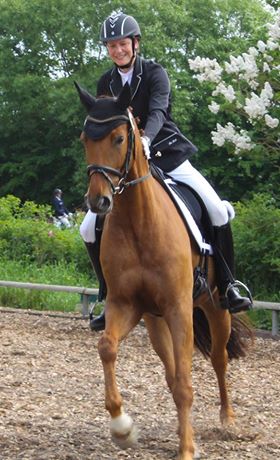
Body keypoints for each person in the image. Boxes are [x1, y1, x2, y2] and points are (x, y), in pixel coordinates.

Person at [80, 11, 252, 331]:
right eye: (111, 45)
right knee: (88, 228)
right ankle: (108, 294)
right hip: (128, 169)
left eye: (122, 44)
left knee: (218, 210)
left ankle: (228, 285)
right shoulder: (106, 82)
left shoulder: (156, 74)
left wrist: (145, 139)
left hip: (167, 155)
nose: (117, 50)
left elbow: (158, 112)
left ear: (135, 43)